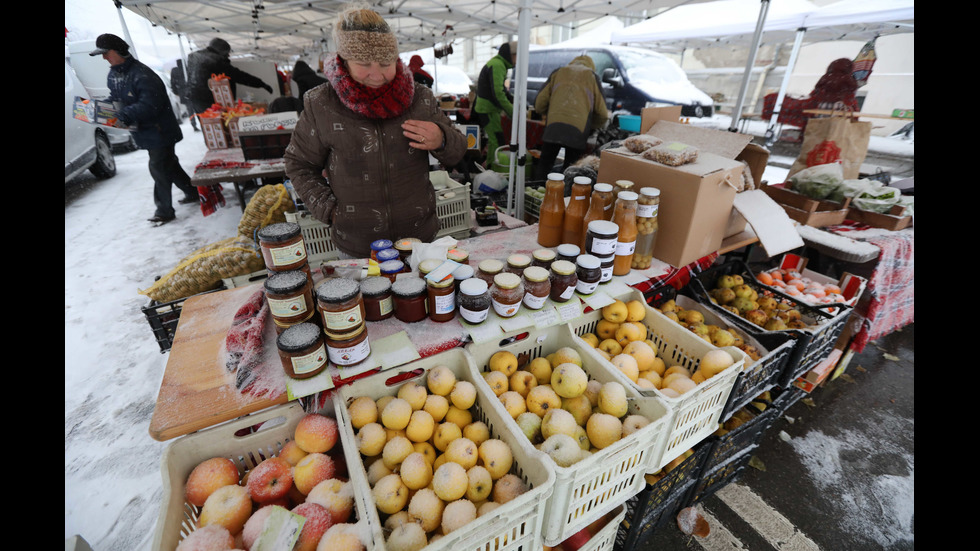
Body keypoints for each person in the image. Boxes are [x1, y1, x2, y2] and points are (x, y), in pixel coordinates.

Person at [283, 5, 467, 259]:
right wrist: (329, 209)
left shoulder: (420, 98)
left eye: (385, 62)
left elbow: (458, 149)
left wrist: (442, 138)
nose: (377, 74)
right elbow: (298, 163)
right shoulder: (321, 104)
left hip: (419, 239)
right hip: (359, 247)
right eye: (364, 63)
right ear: (344, 62)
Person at [90, 33, 199, 225]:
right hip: (144, 131)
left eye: (106, 53)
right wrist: (100, 109)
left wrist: (124, 114)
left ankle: (164, 211)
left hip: (160, 131)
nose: (104, 57)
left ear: (118, 51)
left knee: (158, 167)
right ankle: (193, 192)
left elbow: (150, 105)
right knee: (169, 165)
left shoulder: (142, 74)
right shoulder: (114, 74)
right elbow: (116, 99)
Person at [532, 55, 609, 182]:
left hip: (553, 126)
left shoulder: (558, 72)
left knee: (545, 164)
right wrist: (590, 127)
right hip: (578, 131)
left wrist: (548, 114)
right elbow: (603, 114)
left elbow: (539, 104)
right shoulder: (592, 77)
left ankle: (535, 194)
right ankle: (564, 198)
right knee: (571, 170)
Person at [184, 38, 274, 118]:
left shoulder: (194, 56)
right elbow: (239, 76)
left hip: (194, 97)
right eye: (227, 53)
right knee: (220, 126)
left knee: (209, 126)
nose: (228, 56)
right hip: (210, 100)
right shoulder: (215, 60)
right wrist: (261, 84)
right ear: (221, 51)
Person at [474, 41, 516, 165]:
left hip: (487, 109)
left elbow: (501, 89)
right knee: (496, 141)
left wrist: (513, 100)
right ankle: (492, 170)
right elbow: (498, 93)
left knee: (495, 139)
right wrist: (513, 112)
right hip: (488, 109)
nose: (517, 60)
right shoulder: (498, 65)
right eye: (516, 56)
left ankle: (491, 167)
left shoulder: (498, 63)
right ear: (511, 55)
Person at [169, 59, 197, 130]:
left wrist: (176, 92)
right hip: (192, 91)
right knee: (196, 108)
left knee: (190, 109)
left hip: (183, 93)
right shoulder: (187, 69)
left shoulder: (174, 70)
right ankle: (199, 122)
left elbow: (172, 83)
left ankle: (193, 124)